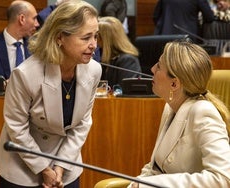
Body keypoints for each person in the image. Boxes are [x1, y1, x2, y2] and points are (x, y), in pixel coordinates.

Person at [0, 1, 101, 188]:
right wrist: (45, 169)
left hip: (66, 164)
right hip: (23, 166)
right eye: (86, 38)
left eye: (96, 36)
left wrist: (60, 166)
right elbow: (17, 128)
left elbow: (82, 124)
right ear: (60, 37)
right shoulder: (26, 74)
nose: (94, 45)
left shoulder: (93, 70)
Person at [129, 41, 230, 188]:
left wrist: (151, 184)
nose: (152, 69)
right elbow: (155, 167)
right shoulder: (170, 108)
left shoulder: (203, 112)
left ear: (174, 84)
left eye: (158, 66)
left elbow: (223, 178)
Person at [0, 0, 39, 80]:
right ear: (22, 19)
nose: (37, 24)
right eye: (34, 18)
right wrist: (4, 85)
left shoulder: (35, 48)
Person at [98, 16, 141, 88]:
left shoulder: (128, 61)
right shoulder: (105, 57)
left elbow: (124, 91)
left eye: (96, 36)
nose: (93, 39)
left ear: (105, 39)